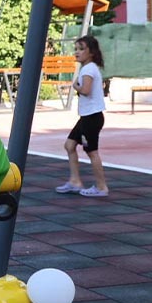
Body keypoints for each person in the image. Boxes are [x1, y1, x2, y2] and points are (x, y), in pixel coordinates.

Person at [55, 35, 109, 198]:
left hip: (91, 118)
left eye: (81, 49)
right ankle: (75, 182)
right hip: (86, 117)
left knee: (92, 152)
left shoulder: (88, 69)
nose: (77, 52)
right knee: (69, 145)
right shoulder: (88, 68)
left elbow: (85, 90)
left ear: (91, 52)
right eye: (76, 49)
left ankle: (101, 187)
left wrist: (75, 86)